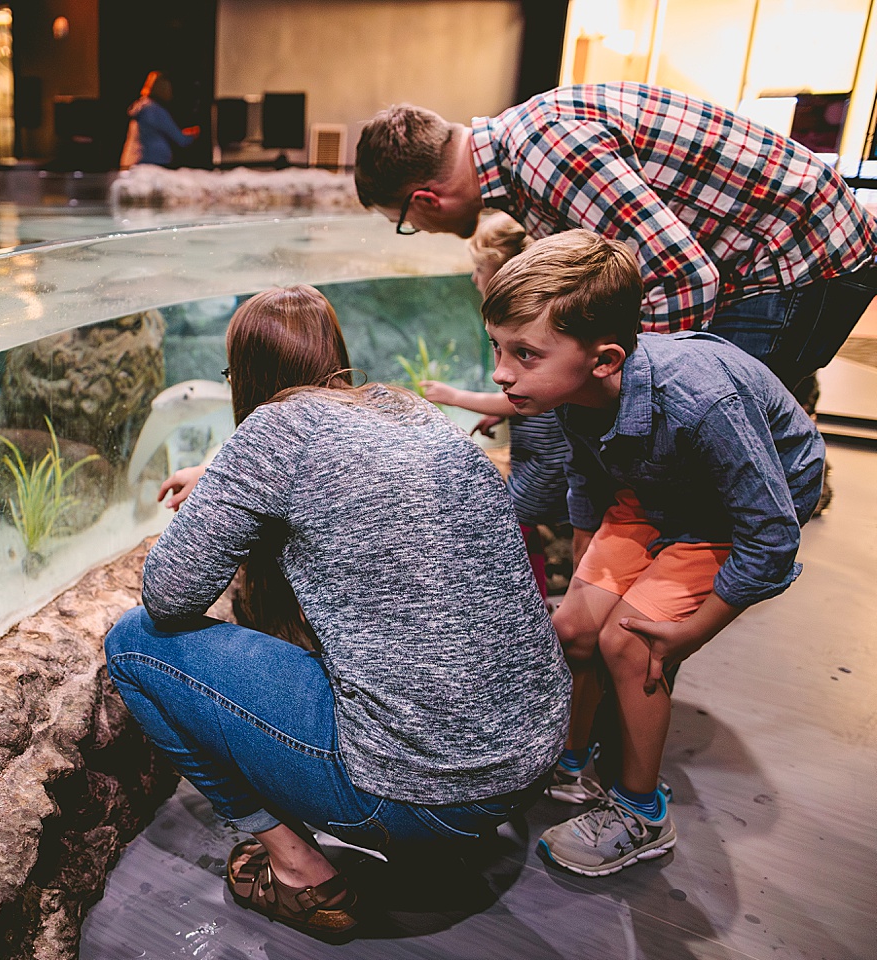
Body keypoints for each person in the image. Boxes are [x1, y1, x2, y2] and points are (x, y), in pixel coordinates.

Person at [105, 285, 570, 940]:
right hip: (527, 765)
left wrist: (226, 485)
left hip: (421, 799)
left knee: (133, 644)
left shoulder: (274, 431)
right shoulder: (409, 414)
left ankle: (298, 873)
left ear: (244, 377)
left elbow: (169, 593)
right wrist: (227, 479)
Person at [480, 230, 823, 877]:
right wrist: (589, 561)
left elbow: (771, 534)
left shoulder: (701, 401)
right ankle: (570, 760)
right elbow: (589, 474)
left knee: (632, 642)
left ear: (605, 359)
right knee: (574, 626)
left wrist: (687, 633)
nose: (501, 373)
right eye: (498, 347)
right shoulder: (572, 391)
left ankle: (642, 811)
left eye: (524, 353)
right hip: (654, 484)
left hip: (730, 510)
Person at [353, 82, 877, 393]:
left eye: (407, 222)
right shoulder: (523, 150)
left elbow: (681, 279)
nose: (419, 230)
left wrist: (629, 388)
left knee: (699, 434)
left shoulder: (543, 152)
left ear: (425, 200)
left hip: (800, 256)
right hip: (772, 258)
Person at [420, 211, 569, 600]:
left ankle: (526, 599)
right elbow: (517, 398)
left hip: (545, 459)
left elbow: (523, 397)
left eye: (478, 268)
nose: (473, 277)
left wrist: (454, 397)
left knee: (513, 522)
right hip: (535, 454)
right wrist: (496, 410)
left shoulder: (527, 325)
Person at [121, 71, 199, 168]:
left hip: (133, 161)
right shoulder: (155, 110)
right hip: (150, 165)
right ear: (162, 89)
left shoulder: (141, 106)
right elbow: (181, 140)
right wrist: (194, 134)